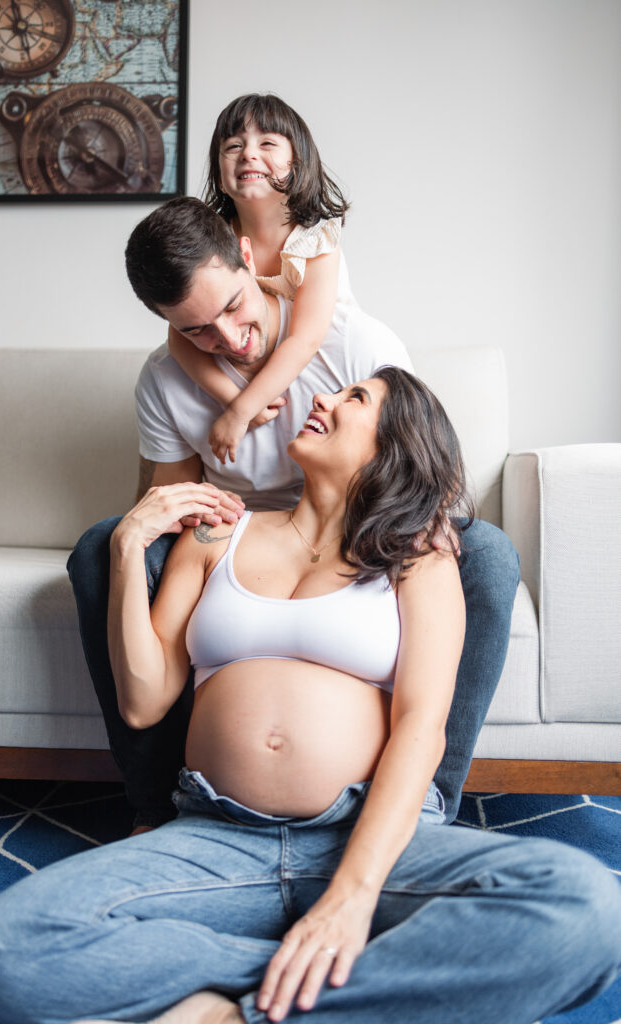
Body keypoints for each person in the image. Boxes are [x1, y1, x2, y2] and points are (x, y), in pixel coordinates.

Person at [0, 369, 621, 1024]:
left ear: (396, 444)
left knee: (583, 906)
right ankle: (323, 976)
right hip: (221, 836)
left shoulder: (420, 552)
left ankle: (232, 1015)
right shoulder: (216, 535)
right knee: (7, 950)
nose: (323, 397)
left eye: (354, 397)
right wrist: (129, 544)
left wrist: (352, 897)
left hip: (368, 837)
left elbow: (422, 725)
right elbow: (142, 703)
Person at [67, 195, 519, 831]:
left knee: (486, 550)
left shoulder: (353, 344)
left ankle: (425, 805)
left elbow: (413, 446)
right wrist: (167, 536)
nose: (229, 339)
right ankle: (156, 803)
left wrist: (415, 537)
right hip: (244, 528)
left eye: (233, 306)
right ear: (168, 324)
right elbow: (172, 497)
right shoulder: (165, 379)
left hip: (363, 514)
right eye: (196, 330)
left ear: (247, 257)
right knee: (102, 543)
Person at [168, 93, 354, 465]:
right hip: (248, 367)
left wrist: (241, 413)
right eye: (233, 146)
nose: (249, 154)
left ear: (297, 164)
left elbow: (305, 340)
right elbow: (179, 336)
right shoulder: (215, 243)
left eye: (267, 143)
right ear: (220, 176)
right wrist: (234, 401)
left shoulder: (318, 243)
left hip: (323, 369)